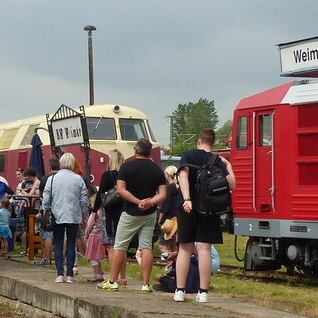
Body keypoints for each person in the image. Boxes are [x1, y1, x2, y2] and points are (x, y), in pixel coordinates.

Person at [173, 128, 236, 302]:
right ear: (213, 144)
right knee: (204, 249)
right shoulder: (218, 160)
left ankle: (180, 290)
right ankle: (203, 292)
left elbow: (183, 176)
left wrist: (187, 198)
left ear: (199, 141)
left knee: (185, 248)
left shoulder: (189, 155)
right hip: (209, 208)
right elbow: (232, 185)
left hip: (187, 207)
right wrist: (228, 166)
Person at [100, 139, 166, 292]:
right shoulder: (157, 169)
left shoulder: (127, 167)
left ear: (136, 150)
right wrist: (149, 202)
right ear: (149, 151)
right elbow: (162, 194)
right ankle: (146, 284)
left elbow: (121, 190)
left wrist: (138, 202)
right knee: (146, 246)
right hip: (149, 213)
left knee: (119, 246)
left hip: (130, 212)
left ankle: (112, 281)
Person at [40, 152, 90, 283]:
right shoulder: (78, 179)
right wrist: (85, 216)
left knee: (58, 243)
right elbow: (84, 200)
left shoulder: (52, 179)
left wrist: (46, 211)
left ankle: (59, 274)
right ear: (73, 163)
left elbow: (46, 198)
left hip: (57, 215)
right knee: (71, 243)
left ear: (61, 163)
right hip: (74, 215)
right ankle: (70, 276)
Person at [156, 165, 180, 262]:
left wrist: (160, 219)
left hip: (168, 220)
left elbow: (165, 205)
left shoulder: (169, 188)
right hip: (177, 219)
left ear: (168, 175)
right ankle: (176, 264)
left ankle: (169, 262)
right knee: (174, 245)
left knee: (162, 246)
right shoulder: (179, 187)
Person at [82, 208, 107, 282]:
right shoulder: (104, 213)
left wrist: (86, 234)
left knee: (92, 257)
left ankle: (97, 274)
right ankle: (100, 273)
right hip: (101, 236)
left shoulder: (94, 214)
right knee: (98, 256)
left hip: (93, 236)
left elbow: (89, 226)